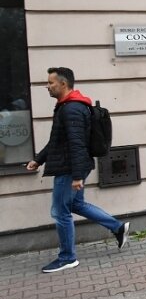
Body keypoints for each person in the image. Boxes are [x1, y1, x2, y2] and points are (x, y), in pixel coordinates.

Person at [25, 67, 129, 273]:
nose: (47, 86)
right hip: (70, 166)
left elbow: (77, 144)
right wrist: (38, 160)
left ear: (63, 84)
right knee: (76, 204)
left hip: (69, 169)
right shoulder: (67, 106)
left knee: (60, 211)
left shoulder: (71, 109)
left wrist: (77, 176)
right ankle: (117, 227)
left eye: (50, 82)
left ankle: (67, 257)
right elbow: (57, 142)